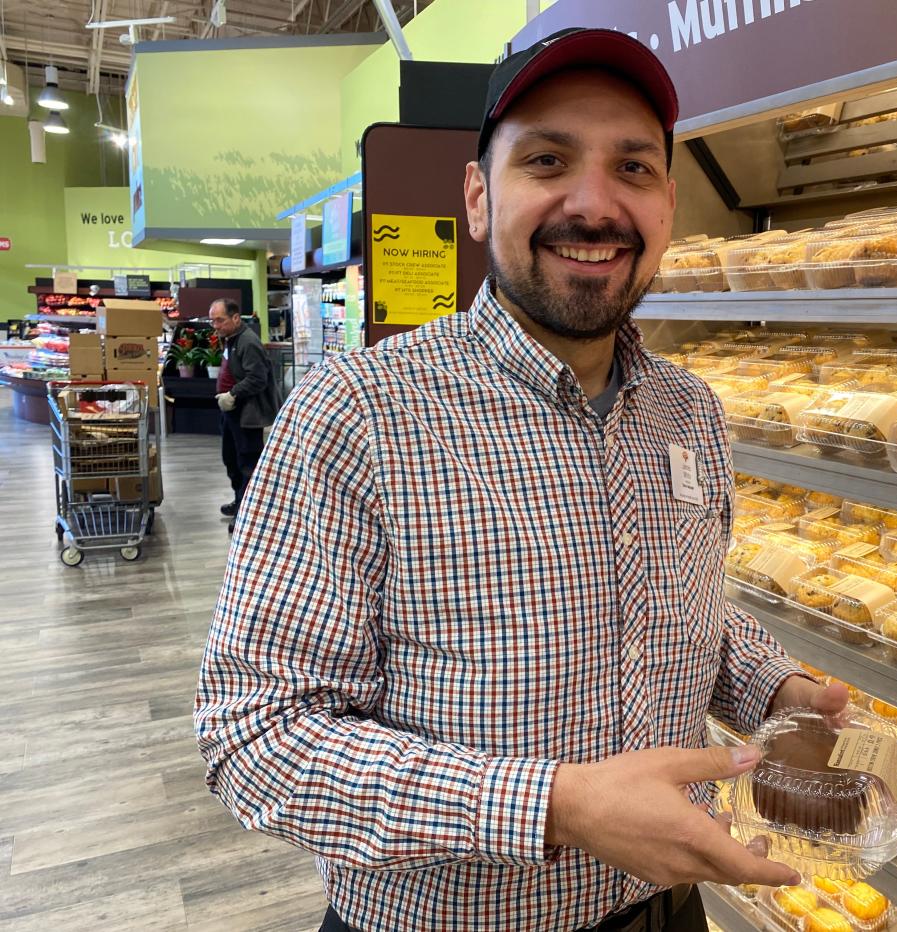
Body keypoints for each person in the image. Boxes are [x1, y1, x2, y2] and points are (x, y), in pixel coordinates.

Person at [195, 28, 846, 932]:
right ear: (476, 195)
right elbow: (256, 738)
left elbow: (677, 599)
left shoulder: (687, 409)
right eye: (548, 160)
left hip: (671, 908)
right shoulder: (357, 413)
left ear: (666, 205)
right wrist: (554, 804)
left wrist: (773, 690)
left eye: (634, 169)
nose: (596, 205)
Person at [209, 298, 277, 533]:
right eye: (213, 321)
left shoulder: (248, 342)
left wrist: (233, 394)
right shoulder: (231, 339)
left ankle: (249, 514)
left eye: (220, 320)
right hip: (233, 412)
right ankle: (241, 502)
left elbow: (258, 379)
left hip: (248, 414)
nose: (215, 325)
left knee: (248, 463)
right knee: (231, 460)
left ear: (236, 318)